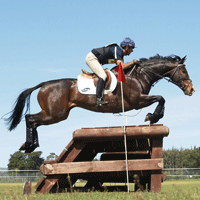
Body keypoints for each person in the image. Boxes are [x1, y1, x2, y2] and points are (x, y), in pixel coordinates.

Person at [85, 37, 138, 107]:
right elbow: (121, 67)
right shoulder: (118, 50)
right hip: (91, 58)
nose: (132, 51)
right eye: (132, 48)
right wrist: (133, 62)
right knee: (103, 76)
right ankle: (98, 100)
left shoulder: (119, 53)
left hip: (96, 59)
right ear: (127, 47)